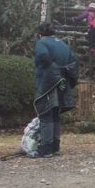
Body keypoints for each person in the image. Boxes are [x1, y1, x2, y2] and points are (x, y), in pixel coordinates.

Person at [33, 23, 77, 157]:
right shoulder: (63, 44)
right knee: (55, 115)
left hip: (48, 82)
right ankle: (55, 146)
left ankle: (46, 148)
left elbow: (43, 57)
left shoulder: (41, 43)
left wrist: (53, 70)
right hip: (63, 83)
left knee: (46, 114)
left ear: (40, 33)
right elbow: (74, 61)